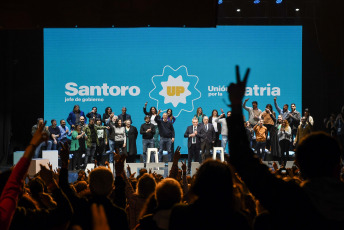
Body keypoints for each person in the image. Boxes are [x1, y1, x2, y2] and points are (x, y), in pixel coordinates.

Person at [227, 65, 344, 230]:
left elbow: (243, 161)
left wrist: (236, 104)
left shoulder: (291, 199)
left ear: (299, 164)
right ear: (338, 167)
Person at [169, 160, 251, 230]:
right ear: (228, 185)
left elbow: (170, 186)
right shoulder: (239, 221)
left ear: (198, 183)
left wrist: (175, 162)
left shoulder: (180, 215)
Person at [0, 120, 48, 230]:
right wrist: (33, 145)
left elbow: (13, 183)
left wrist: (33, 144)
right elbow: (13, 185)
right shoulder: (4, 216)